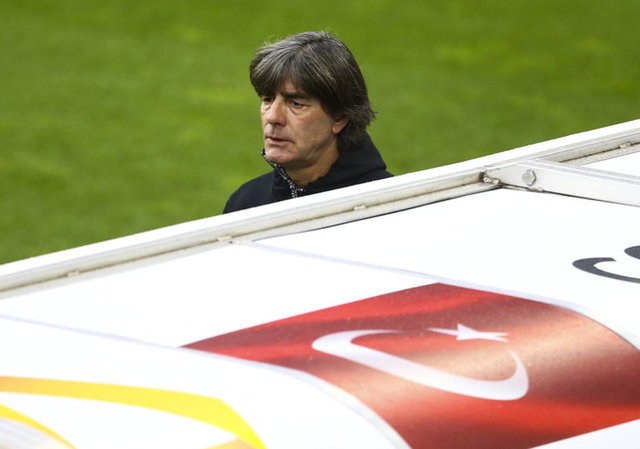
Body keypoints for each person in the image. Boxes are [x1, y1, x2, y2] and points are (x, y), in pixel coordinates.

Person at [223, 31, 392, 214]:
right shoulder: (245, 204)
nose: (272, 117)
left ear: (339, 117)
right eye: (267, 100)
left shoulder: (390, 207)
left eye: (296, 104)